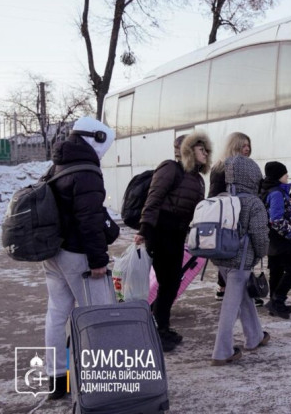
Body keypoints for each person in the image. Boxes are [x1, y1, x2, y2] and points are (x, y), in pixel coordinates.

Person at [42, 116, 117, 400]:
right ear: (96, 139)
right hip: (78, 255)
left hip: (54, 254)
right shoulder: (87, 172)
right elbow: (89, 220)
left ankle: (57, 378)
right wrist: (98, 260)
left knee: (57, 315)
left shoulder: (57, 165)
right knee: (97, 316)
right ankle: (98, 380)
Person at [135, 131, 212, 351]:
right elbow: (154, 198)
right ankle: (158, 331)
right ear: (188, 151)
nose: (205, 153)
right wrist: (144, 229)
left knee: (171, 284)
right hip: (161, 232)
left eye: (206, 150)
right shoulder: (170, 168)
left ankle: (162, 327)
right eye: (201, 149)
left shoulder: (197, 179)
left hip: (177, 235)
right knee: (167, 282)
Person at [211, 155, 270, 365]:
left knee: (244, 297)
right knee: (231, 305)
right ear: (252, 177)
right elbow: (260, 236)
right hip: (241, 261)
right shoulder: (253, 202)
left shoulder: (221, 197)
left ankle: (255, 336)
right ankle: (222, 352)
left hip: (221, 258)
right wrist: (261, 253)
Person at [208, 132, 258, 303]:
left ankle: (234, 289)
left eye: (248, 145)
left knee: (244, 255)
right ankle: (228, 289)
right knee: (232, 255)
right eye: (243, 145)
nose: (247, 148)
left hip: (246, 217)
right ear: (234, 146)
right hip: (229, 219)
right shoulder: (220, 168)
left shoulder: (249, 167)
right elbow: (214, 196)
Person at [260, 161, 291, 319]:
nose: (287, 175)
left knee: (276, 271)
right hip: (281, 239)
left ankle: (274, 303)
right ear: (278, 176)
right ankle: (278, 300)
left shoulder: (269, 190)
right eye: (285, 173)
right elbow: (276, 220)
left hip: (271, 239)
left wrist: (290, 204)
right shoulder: (277, 193)